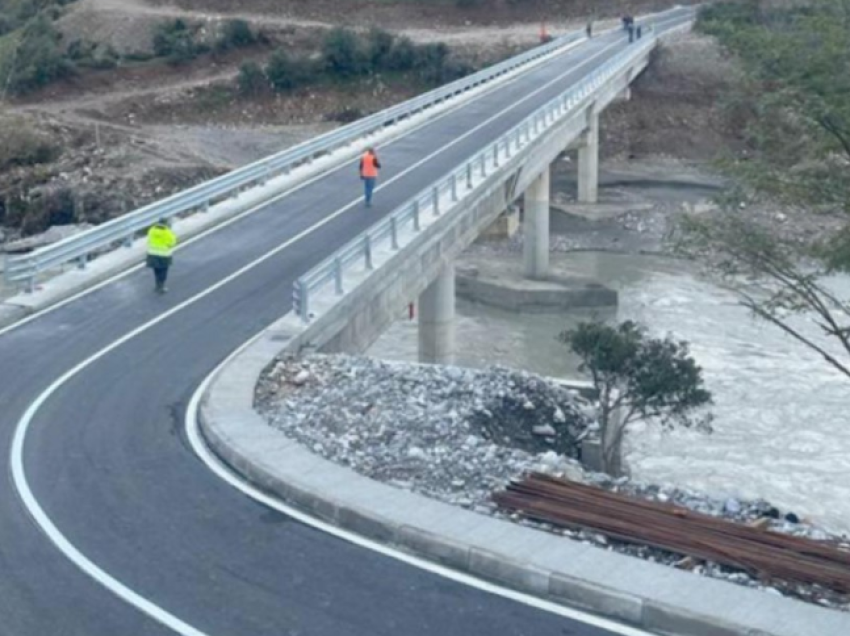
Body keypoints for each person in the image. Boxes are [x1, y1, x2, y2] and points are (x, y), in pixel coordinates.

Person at [146, 217, 177, 294]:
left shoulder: (152, 230)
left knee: (156, 270)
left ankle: (157, 285)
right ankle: (161, 286)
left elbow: (149, 240)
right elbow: (172, 243)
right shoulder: (168, 232)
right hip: (164, 255)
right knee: (163, 271)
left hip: (152, 254)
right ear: (166, 223)